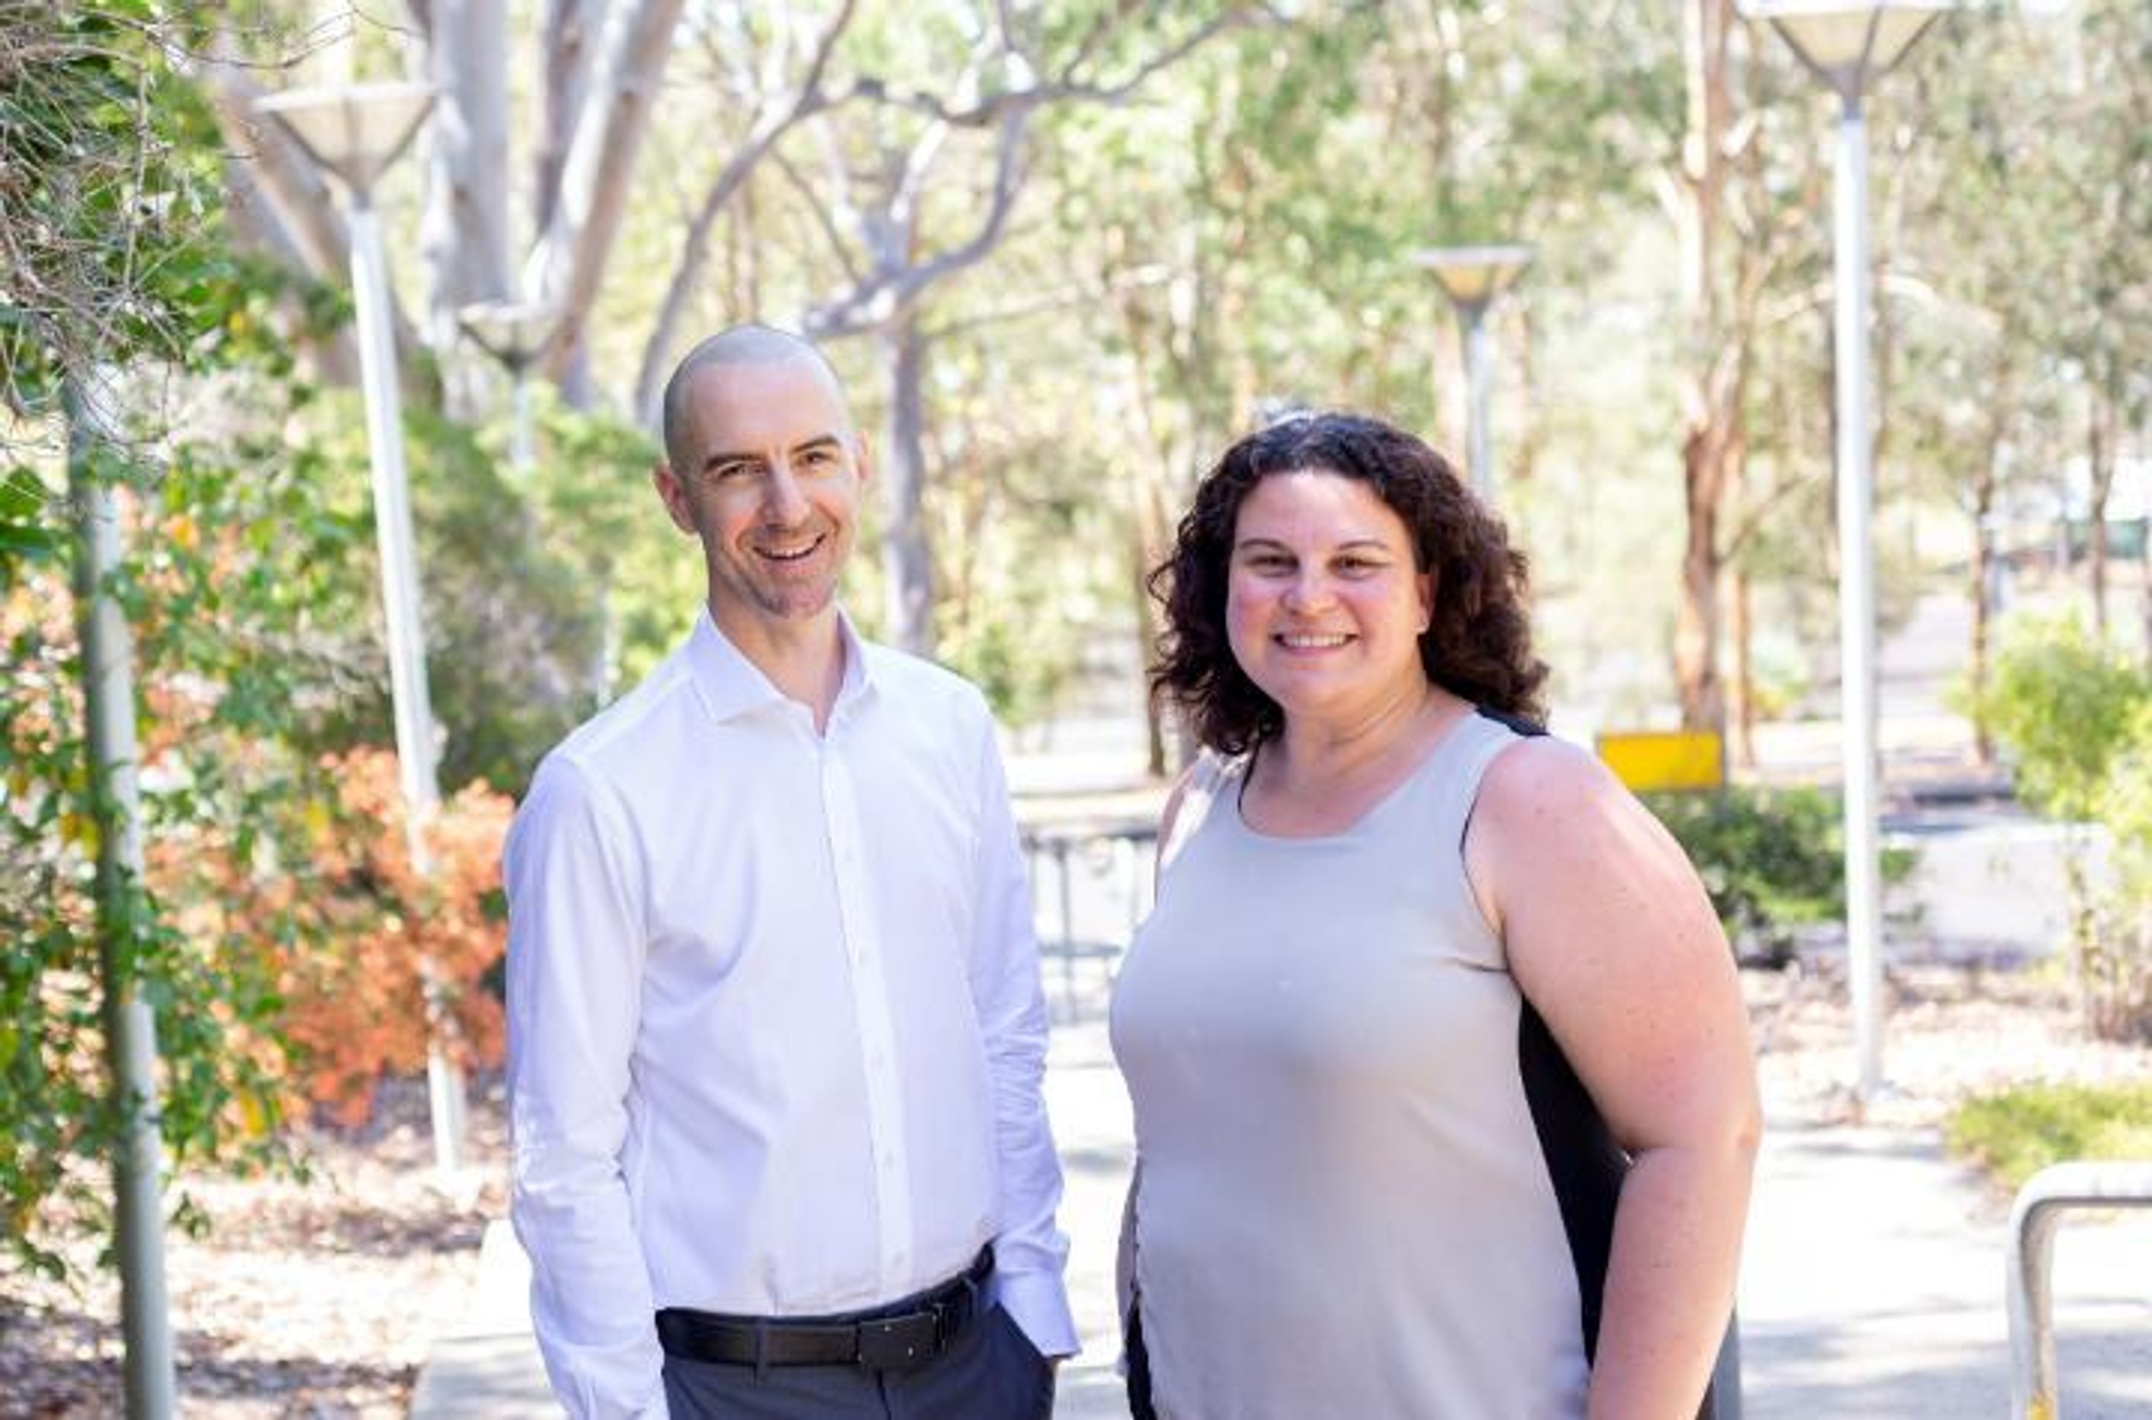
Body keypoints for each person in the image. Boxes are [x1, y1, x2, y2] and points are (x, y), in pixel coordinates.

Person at [1111, 411, 1761, 1419]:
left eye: (1356, 561)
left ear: (1427, 592)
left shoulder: (1526, 802)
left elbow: (1702, 1136)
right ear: (1218, 589)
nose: (1308, 595)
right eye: (1269, 560)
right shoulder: (1197, 808)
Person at [503, 324, 1076, 1419]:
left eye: (813, 456)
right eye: (736, 471)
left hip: (976, 1369)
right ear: (677, 498)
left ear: (860, 463)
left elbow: (1004, 1030)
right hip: (736, 1391)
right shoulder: (601, 791)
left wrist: (1032, 1315)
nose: (786, 504)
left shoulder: (949, 728)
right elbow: (563, 1155)